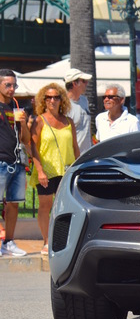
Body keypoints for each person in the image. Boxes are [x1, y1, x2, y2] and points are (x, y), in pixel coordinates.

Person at [30, 83, 80, 255]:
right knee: (45, 206)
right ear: (43, 100)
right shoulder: (39, 120)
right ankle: (46, 240)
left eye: (56, 97)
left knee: (65, 208)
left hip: (66, 171)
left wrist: (78, 167)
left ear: (62, 100)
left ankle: (62, 240)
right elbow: (32, 147)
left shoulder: (68, 121)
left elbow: (75, 147)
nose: (52, 100)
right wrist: (40, 171)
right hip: (47, 170)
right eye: (48, 97)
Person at [0, 69, 29, 257]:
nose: (12, 89)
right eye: (7, 85)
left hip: (16, 161)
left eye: (14, 85)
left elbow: (26, 139)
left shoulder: (16, 109)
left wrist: (24, 123)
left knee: (14, 204)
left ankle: (8, 242)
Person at [64, 68, 93, 155]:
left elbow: (87, 127)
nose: (87, 83)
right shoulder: (64, 105)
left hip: (86, 155)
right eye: (84, 81)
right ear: (75, 83)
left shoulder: (84, 101)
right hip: (72, 156)